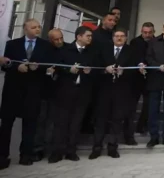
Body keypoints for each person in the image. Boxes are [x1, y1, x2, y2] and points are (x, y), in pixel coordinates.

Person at [0, 19, 53, 169]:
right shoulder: (12, 44)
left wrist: (39, 68)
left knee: (30, 125)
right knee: (6, 125)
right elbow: (5, 65)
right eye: (34, 27)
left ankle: (26, 155)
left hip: (33, 91)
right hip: (13, 90)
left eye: (39, 27)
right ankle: (2, 156)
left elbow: (49, 65)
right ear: (25, 29)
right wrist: (16, 67)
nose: (37, 29)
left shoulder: (45, 45)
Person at [48, 26, 96, 164]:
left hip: (83, 92)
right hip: (65, 92)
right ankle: (57, 152)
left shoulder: (92, 52)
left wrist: (90, 71)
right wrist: (68, 69)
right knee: (61, 123)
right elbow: (56, 67)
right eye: (87, 36)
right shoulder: (65, 50)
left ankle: (71, 151)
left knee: (76, 123)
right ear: (79, 36)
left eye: (91, 36)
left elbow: (97, 69)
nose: (90, 38)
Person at [90, 27, 137, 159]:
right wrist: (105, 70)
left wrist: (124, 71)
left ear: (126, 38)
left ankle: (112, 147)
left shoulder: (131, 51)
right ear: (112, 38)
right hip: (104, 89)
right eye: (117, 36)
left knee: (117, 120)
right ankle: (97, 147)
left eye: (122, 36)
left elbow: (135, 71)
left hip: (122, 90)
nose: (119, 38)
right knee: (101, 119)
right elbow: (95, 66)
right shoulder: (104, 49)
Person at [33, 28, 64, 162]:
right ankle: (38, 149)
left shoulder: (66, 49)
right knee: (41, 121)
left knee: (55, 122)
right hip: (44, 91)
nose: (59, 41)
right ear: (50, 40)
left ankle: (52, 149)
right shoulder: (44, 50)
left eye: (61, 38)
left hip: (60, 91)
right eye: (56, 39)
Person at [124, 22, 155, 141]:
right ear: (141, 31)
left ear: (153, 32)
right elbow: (132, 56)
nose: (147, 35)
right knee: (131, 106)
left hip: (150, 77)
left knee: (148, 105)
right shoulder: (135, 42)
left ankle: (142, 126)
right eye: (145, 32)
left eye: (150, 32)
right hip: (136, 78)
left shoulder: (156, 42)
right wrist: (139, 64)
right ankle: (128, 131)